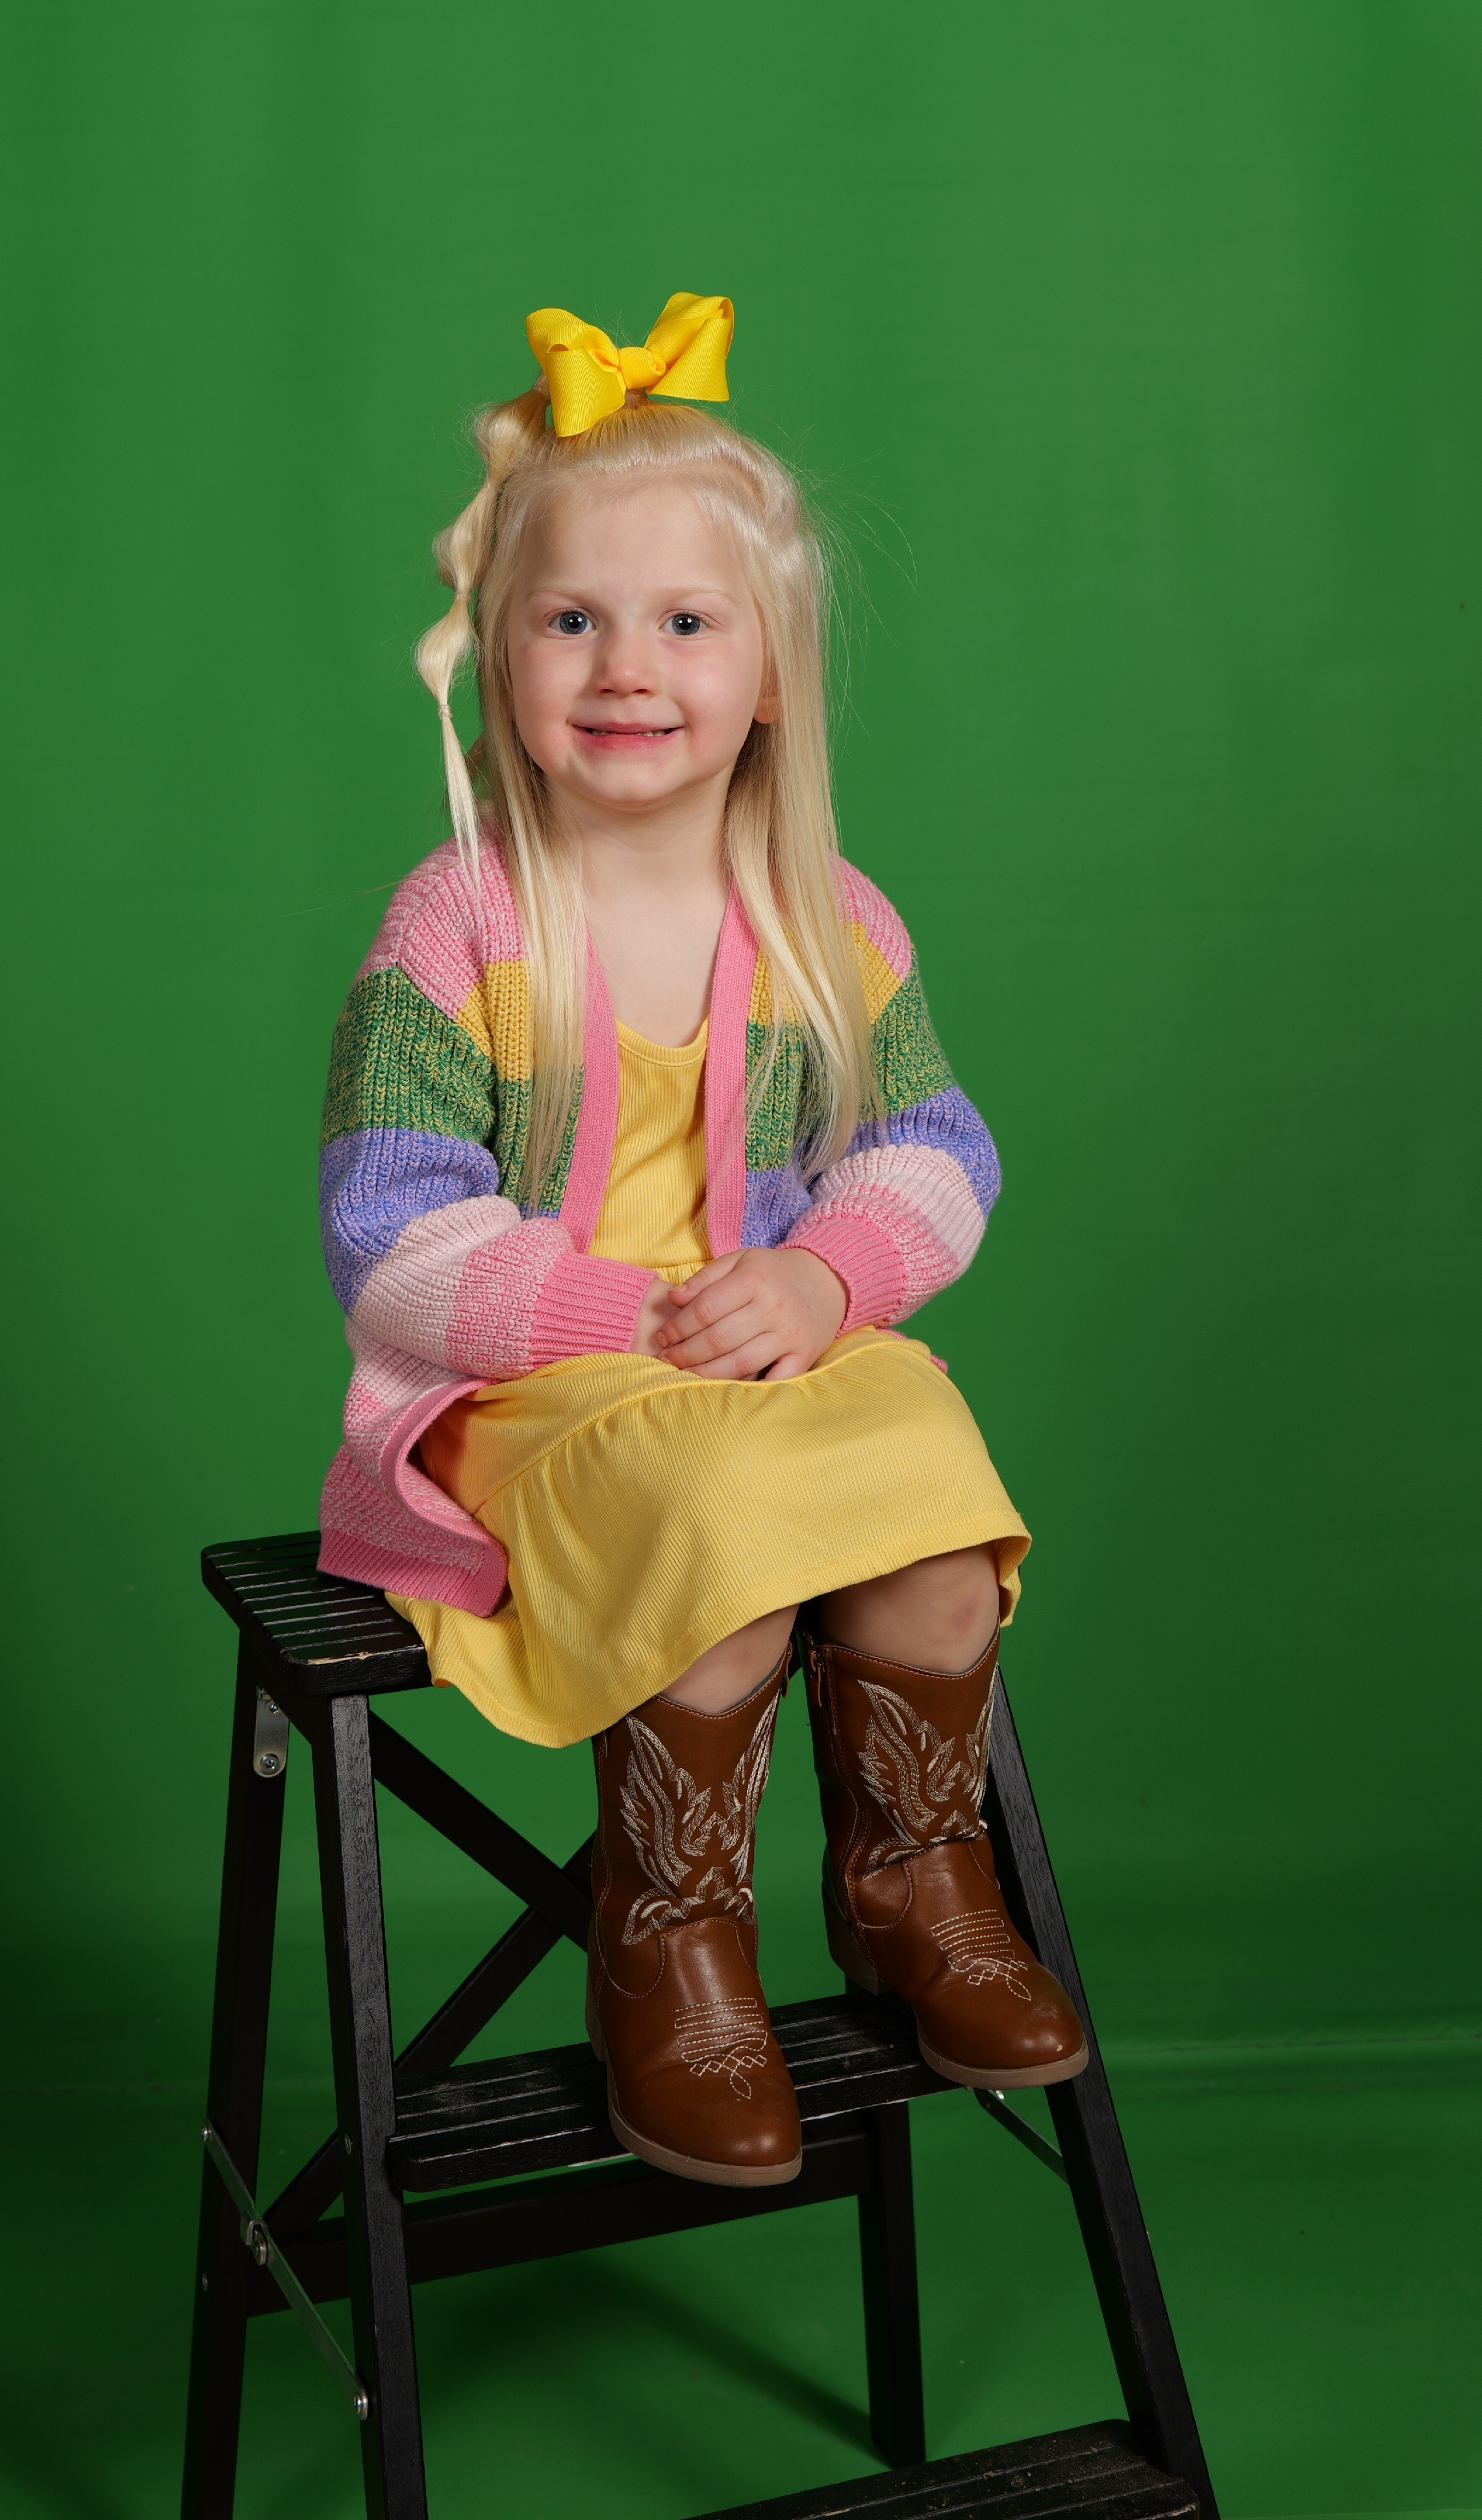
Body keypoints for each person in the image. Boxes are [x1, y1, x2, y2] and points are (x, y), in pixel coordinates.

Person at [314, 292, 1086, 2189]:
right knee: (722, 1529)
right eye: (571, 620)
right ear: (497, 652)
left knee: (928, 1478)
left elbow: (931, 1150)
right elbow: (388, 1231)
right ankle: (672, 1941)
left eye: (685, 623)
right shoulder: (461, 923)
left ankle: (914, 1876)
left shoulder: (828, 918)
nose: (626, 668)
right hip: (534, 1387)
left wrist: (826, 1278)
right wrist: (621, 1310)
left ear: (772, 672)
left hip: (764, 1350)